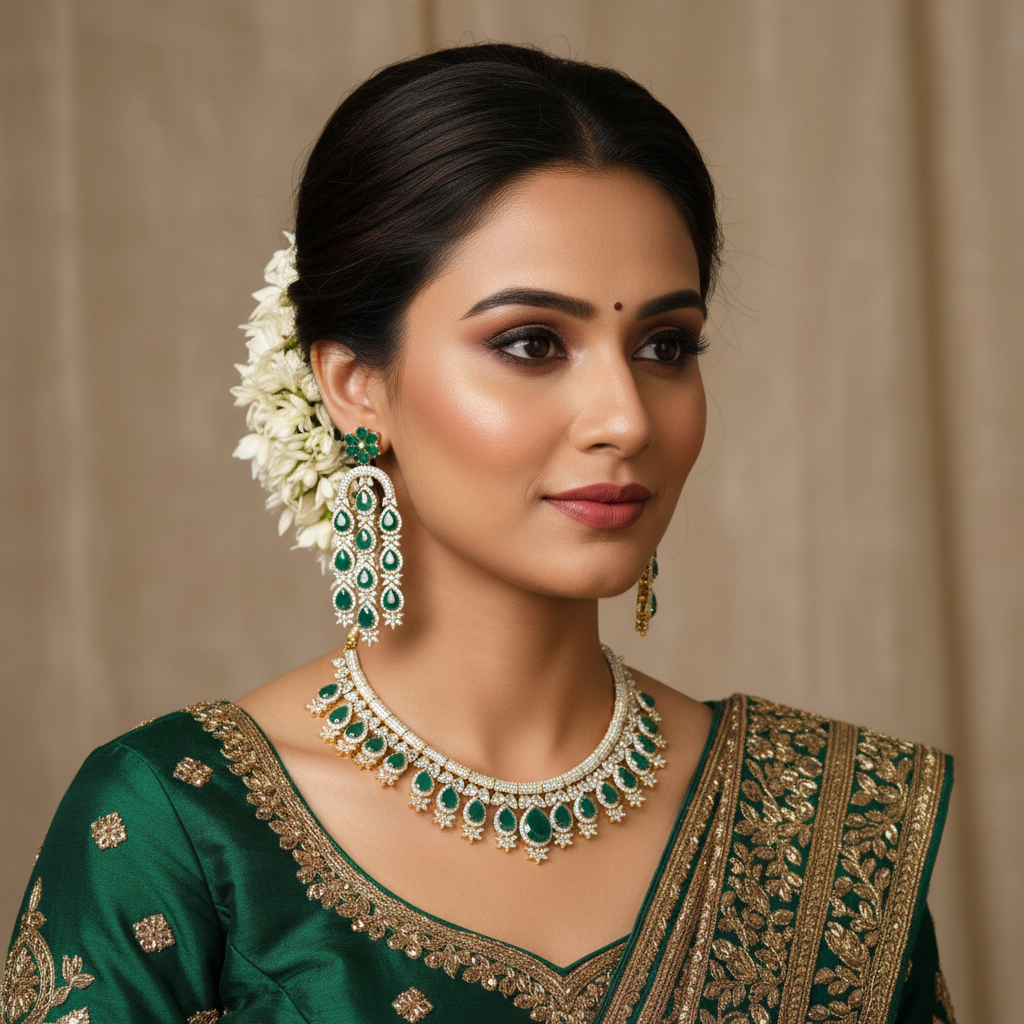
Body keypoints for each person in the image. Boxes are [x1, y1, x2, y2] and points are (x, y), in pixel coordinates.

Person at [1, 44, 955, 1023]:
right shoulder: (176, 827)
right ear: (354, 385)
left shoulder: (823, 833)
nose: (624, 417)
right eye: (531, 343)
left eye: (664, 346)